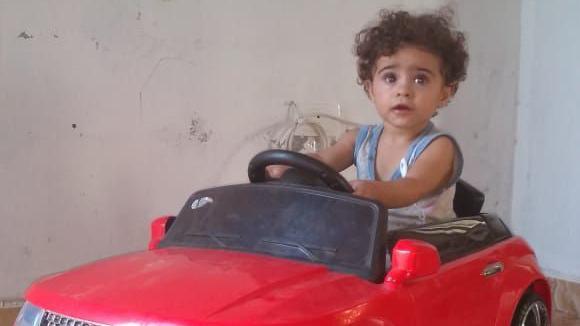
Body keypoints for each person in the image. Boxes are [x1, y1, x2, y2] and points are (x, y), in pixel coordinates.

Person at [269, 8, 469, 227]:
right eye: (390, 77)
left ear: (444, 92)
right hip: (369, 247)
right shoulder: (359, 140)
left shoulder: (439, 148)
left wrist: (372, 191)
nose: (403, 90)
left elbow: (412, 186)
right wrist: (288, 167)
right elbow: (322, 161)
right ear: (370, 89)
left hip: (427, 250)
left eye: (420, 80)